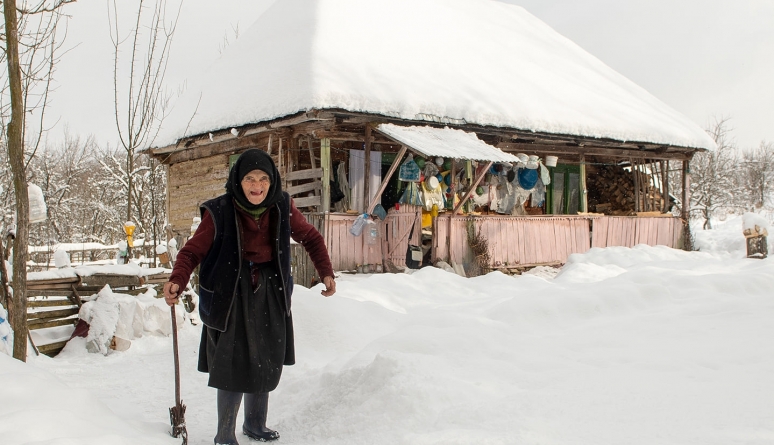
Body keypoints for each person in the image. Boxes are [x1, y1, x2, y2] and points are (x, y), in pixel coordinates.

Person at [163, 148, 336, 445]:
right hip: (229, 295)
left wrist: (326, 272)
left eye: (263, 179)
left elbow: (311, 236)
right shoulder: (219, 211)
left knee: (266, 359)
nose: (257, 186)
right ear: (238, 181)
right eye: (250, 179)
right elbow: (192, 251)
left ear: (272, 181)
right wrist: (177, 278)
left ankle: (256, 425)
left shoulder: (281, 205)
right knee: (232, 363)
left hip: (270, 291)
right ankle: (225, 434)